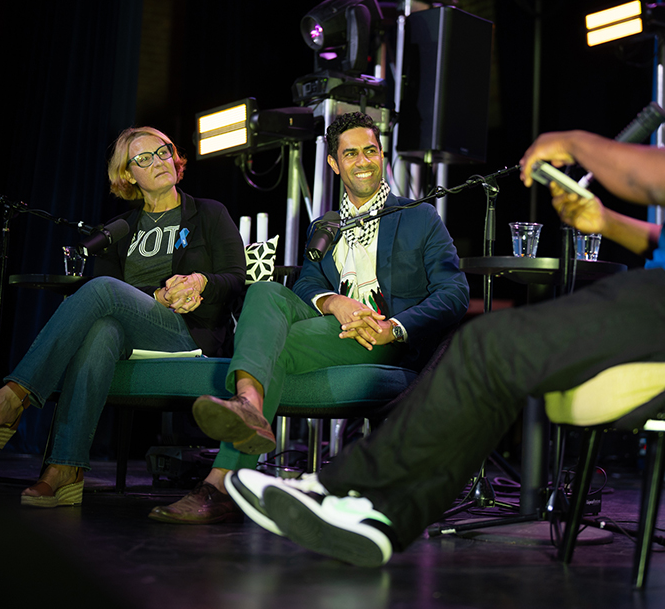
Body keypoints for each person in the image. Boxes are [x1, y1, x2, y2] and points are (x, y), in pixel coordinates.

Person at [223, 0, 665, 566]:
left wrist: (575, 140)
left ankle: (356, 500)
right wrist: (605, 221)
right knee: (487, 349)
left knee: (485, 348)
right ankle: (375, 511)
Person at [148, 111, 470, 524]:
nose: (363, 160)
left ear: (382, 155)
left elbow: (455, 291)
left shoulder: (417, 216)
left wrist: (394, 327)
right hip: (331, 329)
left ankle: (223, 479)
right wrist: (336, 303)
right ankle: (247, 408)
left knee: (271, 348)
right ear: (334, 164)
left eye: (370, 150)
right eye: (350, 153)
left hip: (382, 340)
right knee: (265, 290)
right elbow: (305, 286)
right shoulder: (325, 226)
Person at [0, 126, 246, 507]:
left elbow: (236, 280)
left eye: (164, 151)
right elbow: (107, 297)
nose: (159, 161)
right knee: (102, 329)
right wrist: (151, 294)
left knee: (102, 289)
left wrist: (201, 281)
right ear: (127, 175)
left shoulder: (208, 213)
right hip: (130, 330)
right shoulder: (119, 229)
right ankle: (65, 468)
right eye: (143, 158)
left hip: (186, 330)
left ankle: (15, 397)